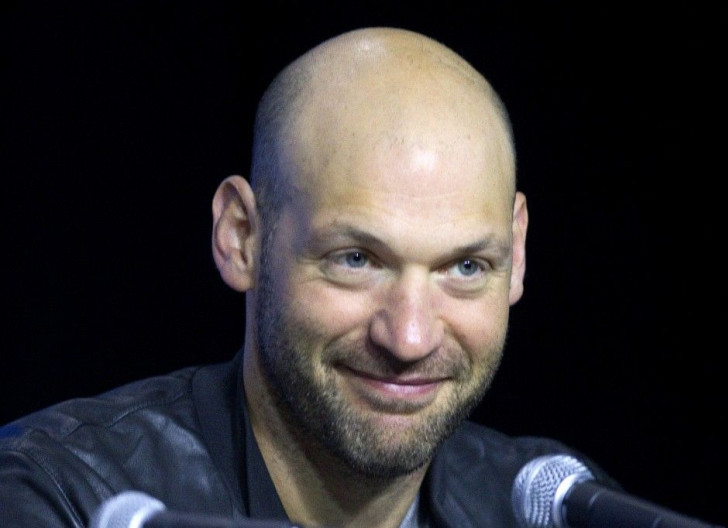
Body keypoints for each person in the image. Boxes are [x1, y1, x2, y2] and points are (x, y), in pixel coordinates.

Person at [0, 27, 616, 527]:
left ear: (517, 253)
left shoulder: (559, 510)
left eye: (464, 267)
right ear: (241, 237)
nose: (409, 338)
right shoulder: (57, 496)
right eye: (356, 260)